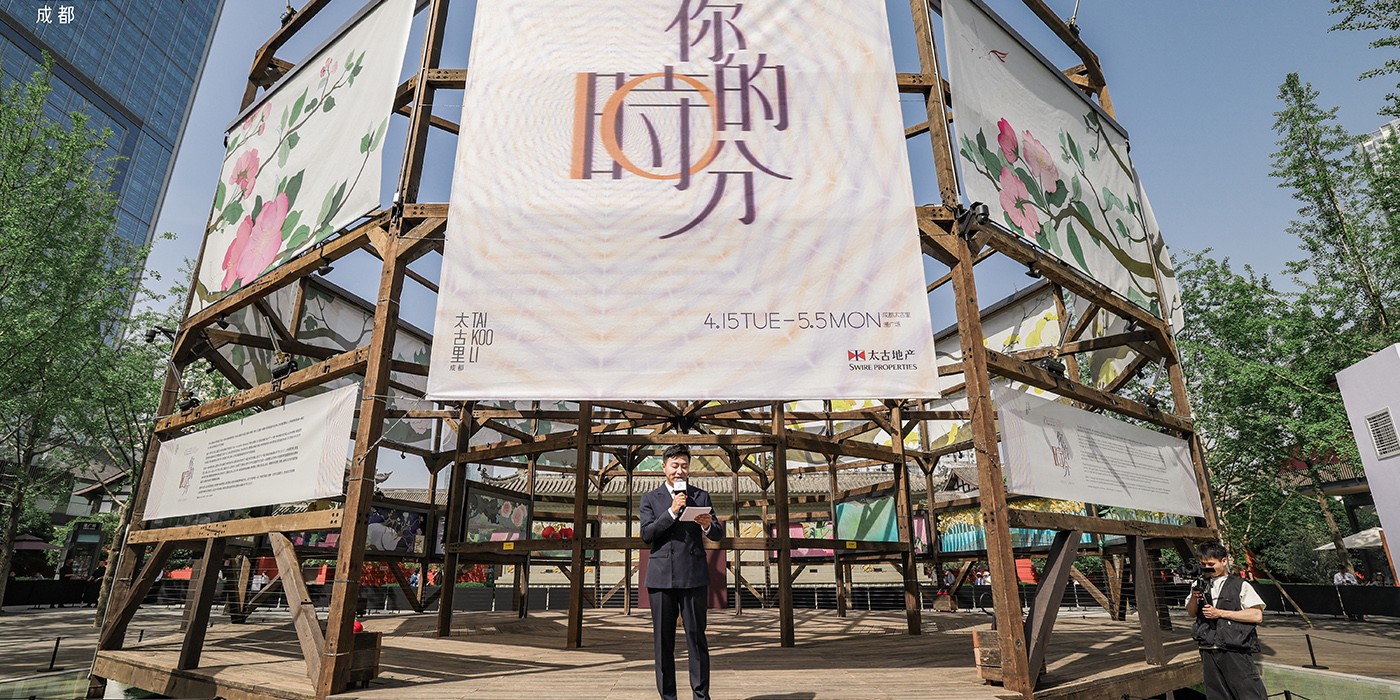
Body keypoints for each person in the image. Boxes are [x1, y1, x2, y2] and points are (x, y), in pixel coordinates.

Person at [640, 444, 723, 700]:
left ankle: (701, 696)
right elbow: (647, 534)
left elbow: (718, 534)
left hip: (693, 575)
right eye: (674, 465)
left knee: (697, 638)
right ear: (664, 467)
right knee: (663, 642)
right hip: (661, 577)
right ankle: (668, 697)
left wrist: (708, 525)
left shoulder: (701, 496)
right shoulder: (650, 499)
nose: (679, 470)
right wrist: (672, 511)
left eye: (684, 466)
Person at [1186, 542, 1267, 700]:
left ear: (1223, 561)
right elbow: (1191, 612)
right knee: (1217, 695)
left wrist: (1220, 613)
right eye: (1204, 565)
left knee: (1249, 693)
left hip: (1234, 648)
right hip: (1208, 647)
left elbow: (1256, 615)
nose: (1207, 568)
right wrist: (1195, 597)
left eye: (1211, 564)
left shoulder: (1240, 584)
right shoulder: (1199, 584)